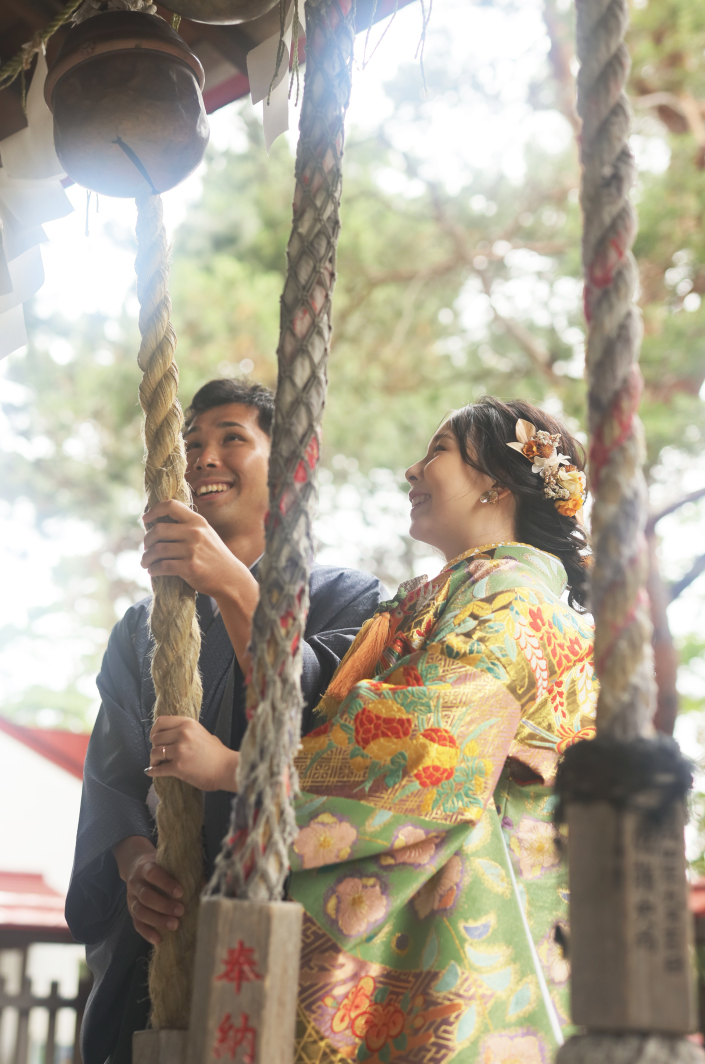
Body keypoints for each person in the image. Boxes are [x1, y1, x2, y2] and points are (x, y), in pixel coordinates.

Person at [148, 396, 597, 1063]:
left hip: (472, 915)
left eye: (438, 451)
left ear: (496, 485)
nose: (412, 470)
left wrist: (235, 770)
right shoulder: (450, 596)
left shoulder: (511, 602)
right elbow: (331, 704)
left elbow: (425, 750)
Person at [65, 378, 386, 1064]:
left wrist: (229, 582)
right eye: (192, 444)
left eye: (233, 438)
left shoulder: (347, 600)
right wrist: (136, 864)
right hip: (160, 940)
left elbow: (327, 742)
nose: (205, 457)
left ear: (289, 462)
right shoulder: (139, 629)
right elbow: (112, 774)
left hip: (279, 933)